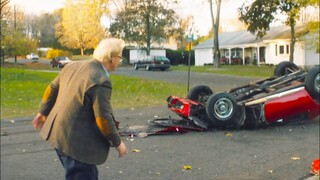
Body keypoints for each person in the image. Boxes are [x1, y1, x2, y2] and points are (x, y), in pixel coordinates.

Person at [32, 37, 127, 180]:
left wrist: (43, 112)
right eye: (120, 57)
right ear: (112, 58)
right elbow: (103, 118)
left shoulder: (72, 66)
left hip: (58, 136)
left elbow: (51, 88)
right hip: (76, 145)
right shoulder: (101, 80)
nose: (120, 61)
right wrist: (117, 142)